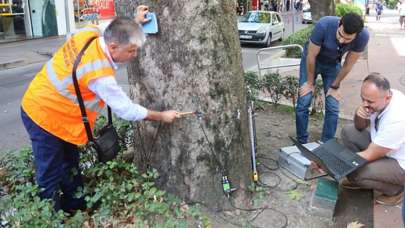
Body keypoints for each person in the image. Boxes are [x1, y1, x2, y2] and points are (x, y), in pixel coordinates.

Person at [20, 5, 180, 213]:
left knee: (70, 164)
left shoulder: (89, 33)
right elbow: (126, 110)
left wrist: (134, 21)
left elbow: (111, 28)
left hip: (58, 112)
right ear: (113, 48)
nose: (134, 55)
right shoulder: (99, 74)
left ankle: (75, 207)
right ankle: (48, 218)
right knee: (49, 173)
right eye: (131, 50)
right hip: (42, 115)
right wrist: (161, 116)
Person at [295, 13, 369, 144]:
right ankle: (301, 141)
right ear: (339, 23)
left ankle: (326, 143)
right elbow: (311, 56)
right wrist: (310, 83)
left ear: (356, 35)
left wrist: (335, 86)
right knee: (304, 100)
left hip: (333, 64)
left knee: (333, 106)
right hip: (312, 60)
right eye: (340, 35)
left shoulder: (363, 37)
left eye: (347, 39)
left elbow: (348, 65)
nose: (342, 41)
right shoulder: (324, 25)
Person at [341, 73, 405, 206]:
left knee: (354, 173)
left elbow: (369, 154)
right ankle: (367, 177)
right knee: (348, 131)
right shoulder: (383, 97)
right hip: (383, 148)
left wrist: (336, 163)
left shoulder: (398, 118)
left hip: (400, 163)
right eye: (362, 99)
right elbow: (359, 127)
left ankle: (396, 191)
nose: (365, 104)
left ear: (387, 98)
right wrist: (359, 114)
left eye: (369, 102)